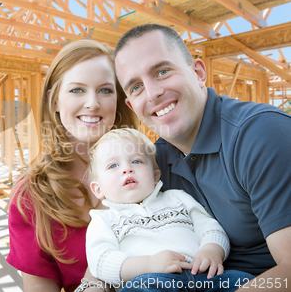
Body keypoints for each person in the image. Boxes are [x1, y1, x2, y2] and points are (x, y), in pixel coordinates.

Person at [114, 23, 291, 289]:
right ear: (132, 106)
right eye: (136, 87)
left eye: (162, 72)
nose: (152, 93)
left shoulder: (259, 133)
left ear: (198, 73)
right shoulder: (157, 162)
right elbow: (113, 225)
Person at [6, 40, 138, 292]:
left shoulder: (149, 167)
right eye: (77, 90)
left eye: (105, 90)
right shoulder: (31, 196)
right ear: (54, 101)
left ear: (118, 101)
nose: (92, 103)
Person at [85, 128, 253, 291]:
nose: (127, 169)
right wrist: (149, 264)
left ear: (156, 176)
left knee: (242, 280)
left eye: (136, 161)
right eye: (113, 166)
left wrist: (211, 251)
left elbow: (210, 227)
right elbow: (100, 261)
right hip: (150, 280)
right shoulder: (103, 219)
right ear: (98, 189)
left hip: (203, 274)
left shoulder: (177, 198)